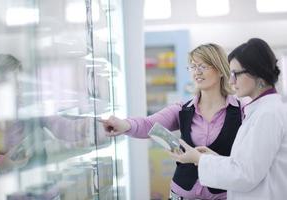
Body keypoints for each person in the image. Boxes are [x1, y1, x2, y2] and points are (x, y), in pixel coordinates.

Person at [101, 44, 242, 200]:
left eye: (203, 66)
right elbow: (149, 125)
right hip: (181, 193)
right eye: (193, 66)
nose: (197, 72)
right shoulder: (182, 109)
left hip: (223, 195)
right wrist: (124, 125)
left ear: (220, 70)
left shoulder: (242, 111)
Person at [170, 38, 287, 200]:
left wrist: (200, 160)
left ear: (256, 73)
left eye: (235, 74)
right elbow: (247, 164)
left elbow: (246, 175)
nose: (231, 81)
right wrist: (212, 158)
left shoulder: (268, 114)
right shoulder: (260, 110)